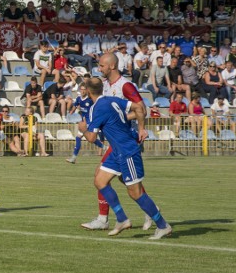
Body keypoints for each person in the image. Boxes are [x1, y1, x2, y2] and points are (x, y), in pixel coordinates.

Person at [78, 77, 172, 239]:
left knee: (135, 193)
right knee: (100, 181)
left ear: (87, 90)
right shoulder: (111, 100)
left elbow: (92, 138)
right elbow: (138, 107)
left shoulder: (96, 108)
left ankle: (163, 225)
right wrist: (140, 127)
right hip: (117, 150)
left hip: (126, 150)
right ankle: (121, 218)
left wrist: (83, 129)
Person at [81, 52, 155, 232]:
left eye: (102, 66)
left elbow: (141, 109)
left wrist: (140, 128)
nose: (99, 69)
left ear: (112, 66)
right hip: (115, 138)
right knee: (122, 179)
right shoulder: (105, 85)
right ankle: (150, 211)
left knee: (101, 176)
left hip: (125, 137)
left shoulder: (126, 86)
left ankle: (104, 219)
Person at [66, 87, 105, 164]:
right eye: (81, 89)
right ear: (79, 90)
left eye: (84, 89)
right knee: (90, 139)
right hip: (84, 122)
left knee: (80, 137)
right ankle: (105, 148)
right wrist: (70, 114)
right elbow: (73, 108)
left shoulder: (90, 100)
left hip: (90, 122)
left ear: (86, 90)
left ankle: (73, 158)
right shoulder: (78, 99)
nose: (83, 91)